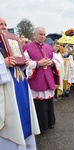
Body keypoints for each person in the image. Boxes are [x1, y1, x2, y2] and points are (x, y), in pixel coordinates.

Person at [0, 17, 40, 150]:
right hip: (6, 96)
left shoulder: (11, 44)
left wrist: (23, 65)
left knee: (24, 123)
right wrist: (3, 64)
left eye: (5, 24)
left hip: (20, 91)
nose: (4, 27)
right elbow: (5, 66)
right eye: (1, 24)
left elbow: (17, 70)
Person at [23, 26, 59, 132]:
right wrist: (38, 63)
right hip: (36, 79)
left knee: (49, 102)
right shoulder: (27, 47)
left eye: (44, 34)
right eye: (40, 34)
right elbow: (24, 63)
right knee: (40, 105)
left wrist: (52, 63)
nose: (43, 36)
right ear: (34, 35)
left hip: (48, 78)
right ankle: (41, 125)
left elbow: (57, 60)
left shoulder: (49, 47)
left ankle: (50, 122)